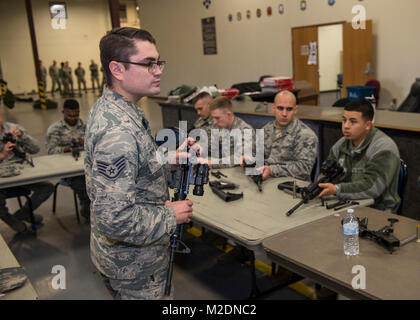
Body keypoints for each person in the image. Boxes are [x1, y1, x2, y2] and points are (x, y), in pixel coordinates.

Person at [84, 27, 194, 300]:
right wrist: (170, 215)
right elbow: (114, 220)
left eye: (158, 62)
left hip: (129, 258)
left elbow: (133, 165)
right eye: (148, 64)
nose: (158, 70)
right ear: (117, 69)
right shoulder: (118, 132)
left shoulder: (117, 108)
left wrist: (166, 161)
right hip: (135, 267)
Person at [318, 99, 401, 213]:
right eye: (344, 120)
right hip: (344, 206)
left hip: (378, 212)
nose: (346, 126)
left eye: (353, 121)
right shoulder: (340, 145)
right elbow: (326, 173)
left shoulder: (383, 147)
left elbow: (372, 187)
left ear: (367, 125)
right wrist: (320, 184)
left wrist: (336, 189)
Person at [0, 110, 54, 233]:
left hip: (20, 172)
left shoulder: (13, 128)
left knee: (46, 187)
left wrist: (22, 136)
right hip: (1, 176)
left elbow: (35, 149)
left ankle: (23, 213)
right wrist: (3, 155)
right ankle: (9, 219)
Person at [45, 99, 90, 219]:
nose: (73, 118)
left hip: (85, 166)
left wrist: (86, 143)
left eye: (76, 115)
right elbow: (50, 151)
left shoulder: (86, 126)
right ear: (63, 112)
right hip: (67, 170)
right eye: (69, 115)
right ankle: (87, 206)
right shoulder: (55, 129)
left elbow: (97, 146)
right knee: (81, 182)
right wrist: (65, 149)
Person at [259, 90, 318, 181]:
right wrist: (249, 158)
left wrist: (272, 170)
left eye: (289, 109)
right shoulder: (266, 129)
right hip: (266, 181)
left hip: (291, 186)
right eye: (280, 108)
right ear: (273, 108)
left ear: (295, 110)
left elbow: (304, 169)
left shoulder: (306, 135)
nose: (284, 114)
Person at [209, 96, 254, 168]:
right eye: (213, 118)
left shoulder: (245, 130)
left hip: (238, 172)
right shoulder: (219, 125)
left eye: (217, 118)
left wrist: (212, 163)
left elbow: (239, 158)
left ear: (229, 115)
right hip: (223, 169)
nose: (214, 122)